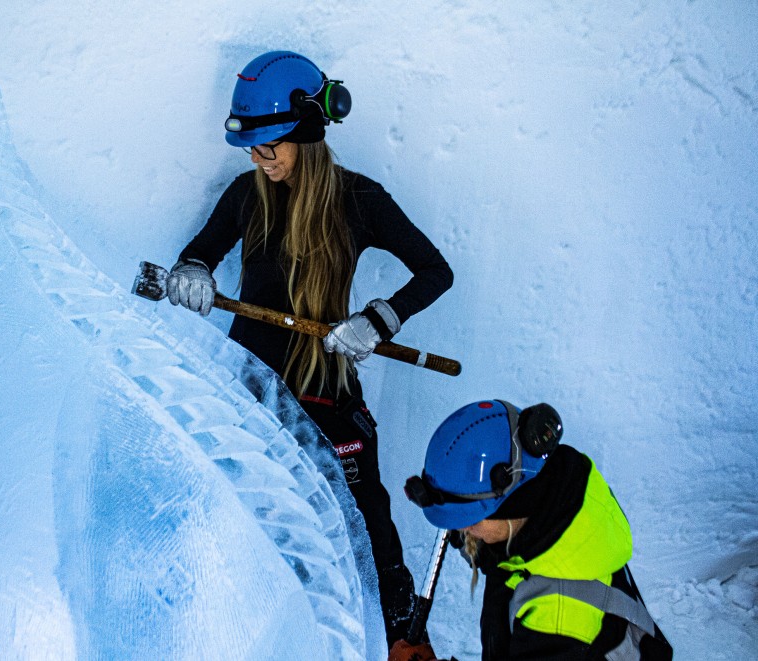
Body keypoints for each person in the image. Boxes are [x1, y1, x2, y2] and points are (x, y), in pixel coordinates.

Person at [165, 50, 454, 645]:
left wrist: (379, 319)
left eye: (270, 146)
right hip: (247, 390)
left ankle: (402, 639)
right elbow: (200, 252)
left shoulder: (360, 201)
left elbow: (435, 271)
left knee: (366, 519)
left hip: (327, 391)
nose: (260, 159)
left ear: (307, 132)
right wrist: (192, 272)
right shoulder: (246, 196)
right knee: (255, 518)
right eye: (252, 148)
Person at [393, 400, 673, 661]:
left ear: (512, 510)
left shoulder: (557, 618)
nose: (464, 531)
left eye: (471, 521)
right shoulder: (559, 509)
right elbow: (492, 546)